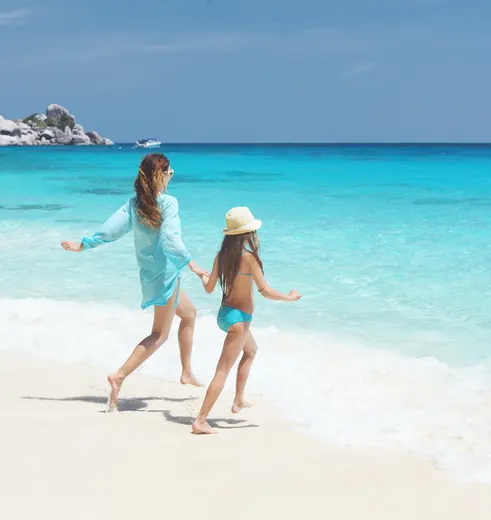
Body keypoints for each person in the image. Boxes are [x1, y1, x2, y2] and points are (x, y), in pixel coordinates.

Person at [61, 153, 207, 411]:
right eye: (169, 171)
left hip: (152, 275)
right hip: (166, 276)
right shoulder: (168, 203)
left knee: (189, 314)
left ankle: (186, 372)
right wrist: (192, 264)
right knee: (159, 335)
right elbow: (171, 239)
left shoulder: (134, 205)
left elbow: (110, 230)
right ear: (160, 175)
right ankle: (119, 376)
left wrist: (83, 245)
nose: (172, 175)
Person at [192, 207, 301, 434]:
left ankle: (239, 399)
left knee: (250, 351)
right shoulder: (249, 258)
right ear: (248, 233)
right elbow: (265, 291)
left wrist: (202, 276)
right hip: (238, 320)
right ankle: (200, 420)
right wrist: (289, 298)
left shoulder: (221, 256)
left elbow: (209, 288)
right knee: (222, 371)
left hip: (226, 315)